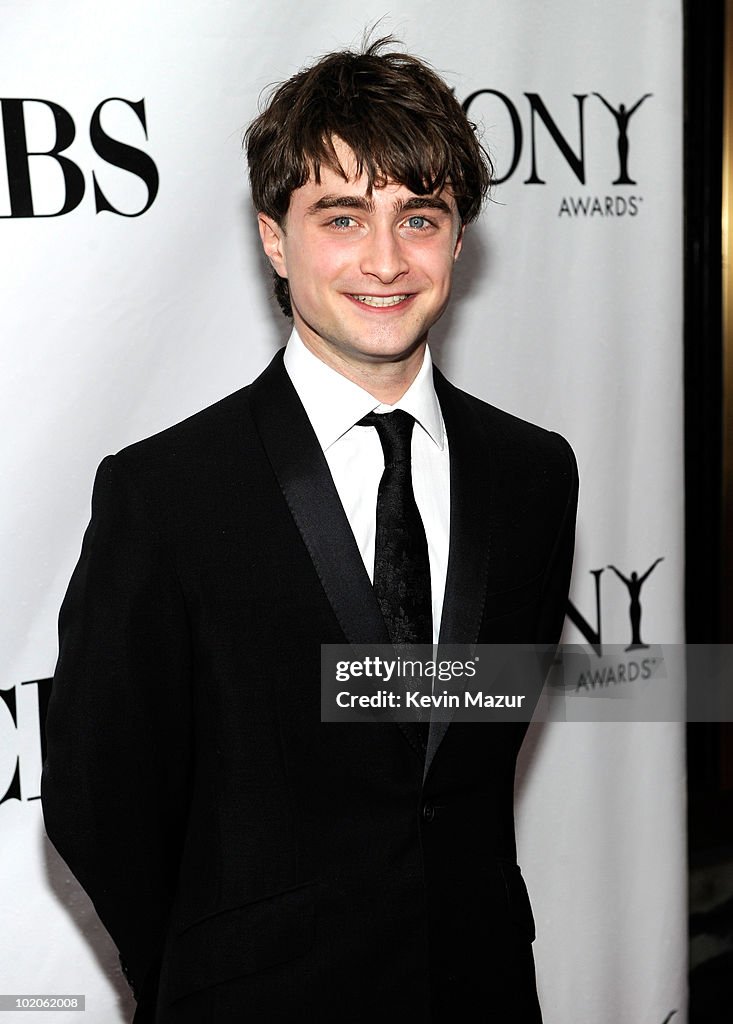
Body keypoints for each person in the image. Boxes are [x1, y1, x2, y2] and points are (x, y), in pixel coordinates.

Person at [41, 38, 578, 1023]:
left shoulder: (533, 474)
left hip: (481, 988)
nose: (385, 260)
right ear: (275, 240)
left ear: (458, 240)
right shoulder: (166, 493)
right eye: (341, 216)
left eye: (419, 217)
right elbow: (96, 791)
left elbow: (473, 743)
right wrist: (214, 964)